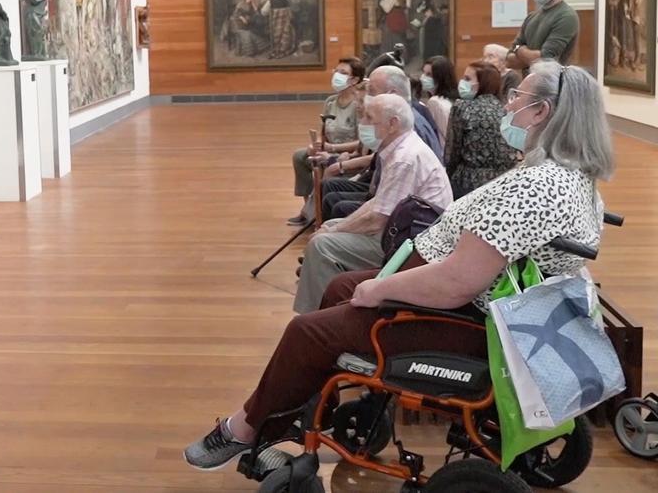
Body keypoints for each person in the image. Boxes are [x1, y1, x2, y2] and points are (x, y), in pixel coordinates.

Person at [184, 63, 612, 471]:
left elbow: (457, 283)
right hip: (482, 299)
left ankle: (244, 428)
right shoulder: (569, 176)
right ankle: (300, 408)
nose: (506, 104)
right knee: (339, 289)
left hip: (472, 317)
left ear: (542, 111)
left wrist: (383, 290)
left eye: (515, 96)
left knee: (306, 330)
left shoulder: (536, 187)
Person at [293, 93, 452, 313]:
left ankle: (315, 314)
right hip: (402, 230)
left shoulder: (404, 158)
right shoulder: (398, 148)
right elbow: (379, 202)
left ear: (392, 124)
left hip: (411, 243)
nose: (362, 123)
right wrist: (334, 227)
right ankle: (331, 304)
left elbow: (377, 219)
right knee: (332, 226)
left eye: (369, 118)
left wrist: (333, 232)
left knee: (322, 245)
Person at [320, 66, 441, 220]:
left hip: (408, 210)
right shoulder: (396, 117)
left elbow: (393, 200)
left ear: (392, 94)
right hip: (383, 188)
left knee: (338, 206)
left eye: (372, 91)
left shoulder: (408, 124)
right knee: (332, 188)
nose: (368, 98)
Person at [287, 58, 365, 225]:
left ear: (355, 80)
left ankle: (313, 212)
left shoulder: (359, 105)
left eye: (343, 73)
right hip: (329, 148)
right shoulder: (330, 102)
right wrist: (316, 145)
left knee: (324, 163)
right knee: (300, 156)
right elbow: (324, 131)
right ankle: (310, 206)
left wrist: (332, 148)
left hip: (348, 153)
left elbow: (362, 141)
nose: (337, 75)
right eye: (336, 71)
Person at [445, 62, 518, 198]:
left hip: (468, 183)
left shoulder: (462, 107)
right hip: (504, 183)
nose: (462, 82)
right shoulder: (506, 109)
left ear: (482, 83)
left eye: (467, 79)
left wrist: (448, 177)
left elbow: (452, 151)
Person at [507, 0, 579, 70]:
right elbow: (509, 60)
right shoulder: (531, 17)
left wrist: (519, 50)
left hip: (553, 85)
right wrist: (527, 55)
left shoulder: (566, 16)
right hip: (529, 84)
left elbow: (545, 60)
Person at [420, 55, 457, 141]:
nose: (423, 77)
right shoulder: (452, 99)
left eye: (429, 74)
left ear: (440, 77)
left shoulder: (435, 102)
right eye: (423, 73)